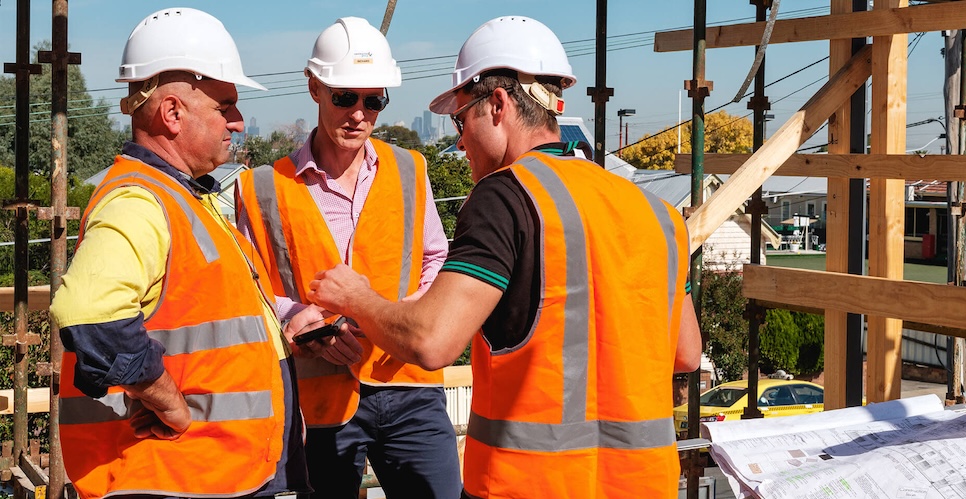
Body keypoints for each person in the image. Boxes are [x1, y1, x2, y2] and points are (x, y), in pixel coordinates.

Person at [307, 15, 703, 499]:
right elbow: (686, 353)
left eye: (460, 119)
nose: (458, 141)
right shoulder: (657, 213)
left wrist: (358, 299)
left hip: (528, 485)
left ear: (496, 105)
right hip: (645, 485)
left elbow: (431, 342)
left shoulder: (506, 197)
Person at [51, 8, 309, 499]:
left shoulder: (187, 197)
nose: (236, 122)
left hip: (218, 474)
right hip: (178, 474)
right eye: (225, 106)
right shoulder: (140, 201)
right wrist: (165, 398)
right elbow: (89, 311)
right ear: (172, 113)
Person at [235, 17, 460, 499]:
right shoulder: (261, 188)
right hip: (317, 399)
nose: (359, 114)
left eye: (373, 100)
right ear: (314, 87)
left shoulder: (409, 169)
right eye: (344, 97)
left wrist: (404, 318)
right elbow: (246, 285)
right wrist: (299, 318)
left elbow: (436, 259)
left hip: (409, 385)